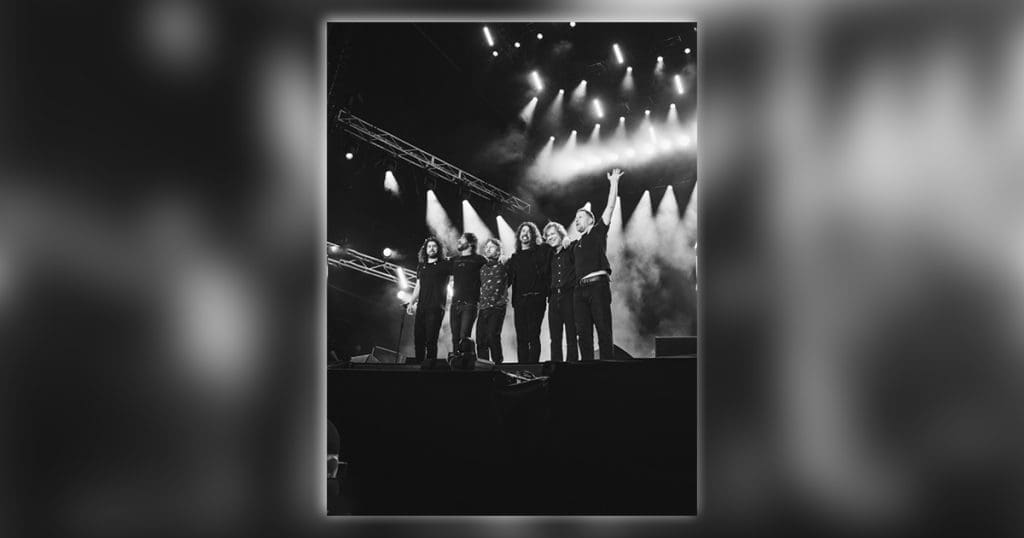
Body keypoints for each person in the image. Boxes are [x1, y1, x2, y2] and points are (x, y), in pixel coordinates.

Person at [569, 168, 623, 360]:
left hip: (597, 286)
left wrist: (614, 182)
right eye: (575, 219)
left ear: (590, 220)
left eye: (580, 217)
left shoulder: (598, 231)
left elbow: (610, 206)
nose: (576, 220)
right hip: (579, 291)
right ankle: (587, 368)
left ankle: (606, 367)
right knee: (583, 334)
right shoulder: (576, 245)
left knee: (603, 329)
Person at [508, 221, 551, 364]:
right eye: (522, 231)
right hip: (520, 301)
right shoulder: (515, 258)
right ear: (519, 236)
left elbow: (552, 249)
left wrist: (564, 239)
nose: (525, 234)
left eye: (528, 231)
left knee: (533, 335)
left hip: (536, 299)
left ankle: (533, 368)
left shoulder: (541, 250)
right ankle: (522, 367)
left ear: (533, 235)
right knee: (521, 337)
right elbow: (506, 280)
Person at [407, 237, 451, 363]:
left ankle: (430, 366)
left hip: (436, 307)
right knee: (418, 339)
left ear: (439, 249)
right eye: (429, 246)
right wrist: (411, 302)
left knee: (431, 339)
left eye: (434, 246)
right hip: (421, 306)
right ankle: (419, 364)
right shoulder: (422, 266)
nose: (431, 248)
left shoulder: (445, 265)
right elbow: (418, 285)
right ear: (425, 250)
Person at [544, 222, 578, 362]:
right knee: (555, 339)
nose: (550, 237)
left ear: (561, 234)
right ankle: (556, 368)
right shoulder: (549, 255)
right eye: (548, 235)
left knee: (571, 336)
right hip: (553, 298)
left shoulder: (571, 248)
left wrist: (568, 240)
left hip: (569, 296)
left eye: (553, 234)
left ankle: (571, 366)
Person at [449, 232, 487, 354]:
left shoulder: (479, 260)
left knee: (464, 337)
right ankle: (455, 361)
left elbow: (490, 274)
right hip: (455, 304)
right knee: (455, 338)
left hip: (470, 303)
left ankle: (467, 362)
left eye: (462, 239)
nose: (459, 240)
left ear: (470, 243)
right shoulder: (455, 260)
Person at [476, 238, 509, 363]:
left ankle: (498, 364)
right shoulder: (482, 268)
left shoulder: (504, 265)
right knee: (480, 339)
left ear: (498, 251)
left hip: (497, 307)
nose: (488, 249)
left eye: (492, 247)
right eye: (486, 247)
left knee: (492, 336)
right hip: (483, 307)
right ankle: (483, 366)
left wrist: (505, 260)